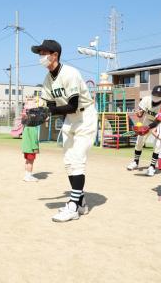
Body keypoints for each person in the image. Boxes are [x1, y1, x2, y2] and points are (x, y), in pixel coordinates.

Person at [32, 39, 97, 222]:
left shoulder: (70, 73)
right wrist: (44, 115)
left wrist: (49, 111)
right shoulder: (47, 80)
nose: (41, 57)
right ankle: (81, 202)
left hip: (85, 117)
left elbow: (73, 105)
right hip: (69, 120)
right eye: (40, 53)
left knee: (77, 160)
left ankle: (73, 207)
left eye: (44, 53)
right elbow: (52, 106)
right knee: (69, 162)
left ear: (55, 55)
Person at [126, 85, 161, 176]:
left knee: (157, 145)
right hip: (147, 120)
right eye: (154, 94)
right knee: (139, 141)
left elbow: (157, 121)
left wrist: (147, 127)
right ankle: (135, 162)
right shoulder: (146, 99)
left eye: (158, 95)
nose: (155, 97)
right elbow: (141, 114)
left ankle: (152, 166)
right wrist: (139, 113)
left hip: (159, 124)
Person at [21, 100, 40, 182]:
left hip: (25, 147)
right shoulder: (32, 126)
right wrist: (35, 147)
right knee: (30, 162)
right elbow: (34, 138)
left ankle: (26, 175)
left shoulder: (26, 125)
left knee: (27, 161)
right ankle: (28, 177)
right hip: (30, 148)